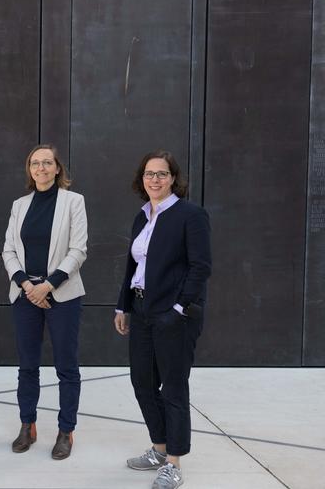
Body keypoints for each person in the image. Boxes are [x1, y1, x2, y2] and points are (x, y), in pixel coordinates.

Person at [114, 150, 211, 489]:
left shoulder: (190, 215)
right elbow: (133, 265)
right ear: (142, 180)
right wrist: (122, 306)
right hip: (141, 311)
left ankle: (173, 463)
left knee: (172, 387)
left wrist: (180, 309)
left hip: (174, 316)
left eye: (162, 173)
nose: (155, 179)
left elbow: (201, 267)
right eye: (149, 174)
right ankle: (159, 447)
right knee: (142, 382)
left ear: (173, 179)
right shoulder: (142, 216)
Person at [2, 144, 87, 460]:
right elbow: (8, 251)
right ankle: (28, 425)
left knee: (66, 366)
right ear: (30, 169)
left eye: (47, 163)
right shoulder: (19, 205)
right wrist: (27, 285)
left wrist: (48, 286)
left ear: (57, 168)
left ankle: (66, 431)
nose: (41, 168)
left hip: (62, 295)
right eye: (35, 163)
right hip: (25, 295)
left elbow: (78, 250)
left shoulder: (73, 202)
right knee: (27, 365)